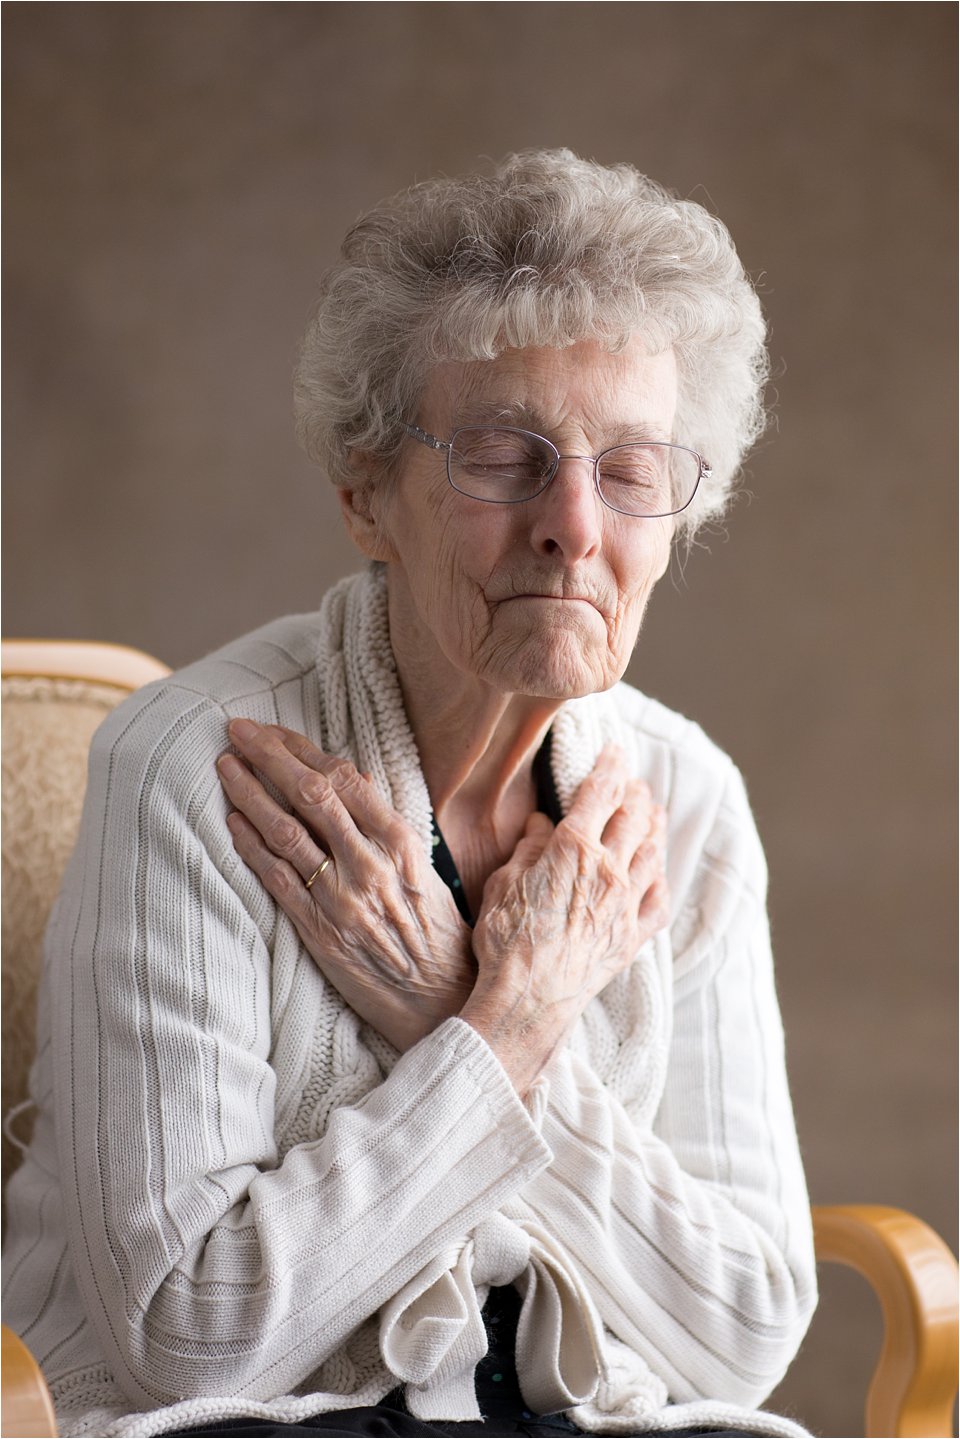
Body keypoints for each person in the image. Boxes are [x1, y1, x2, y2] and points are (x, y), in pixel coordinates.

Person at [3, 150, 817, 1439]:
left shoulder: (688, 801)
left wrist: (469, 1010)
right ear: (364, 494)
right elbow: (187, 1334)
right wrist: (502, 1035)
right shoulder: (191, 771)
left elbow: (746, 1330)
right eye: (504, 455)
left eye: (630, 469)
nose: (574, 525)